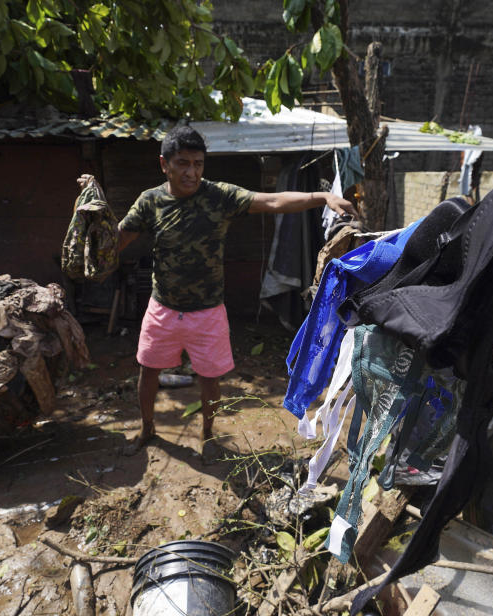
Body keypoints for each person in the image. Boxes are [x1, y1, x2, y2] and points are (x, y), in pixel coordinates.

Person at [115, 125, 357, 458]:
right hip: (163, 308)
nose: (192, 172)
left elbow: (272, 201)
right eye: (183, 163)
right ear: (164, 165)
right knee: (148, 370)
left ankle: (209, 437)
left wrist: (324, 197)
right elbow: (118, 240)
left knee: (210, 378)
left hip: (208, 311)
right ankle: (147, 427)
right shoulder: (149, 202)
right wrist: (91, 229)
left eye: (198, 163)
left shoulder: (219, 196)